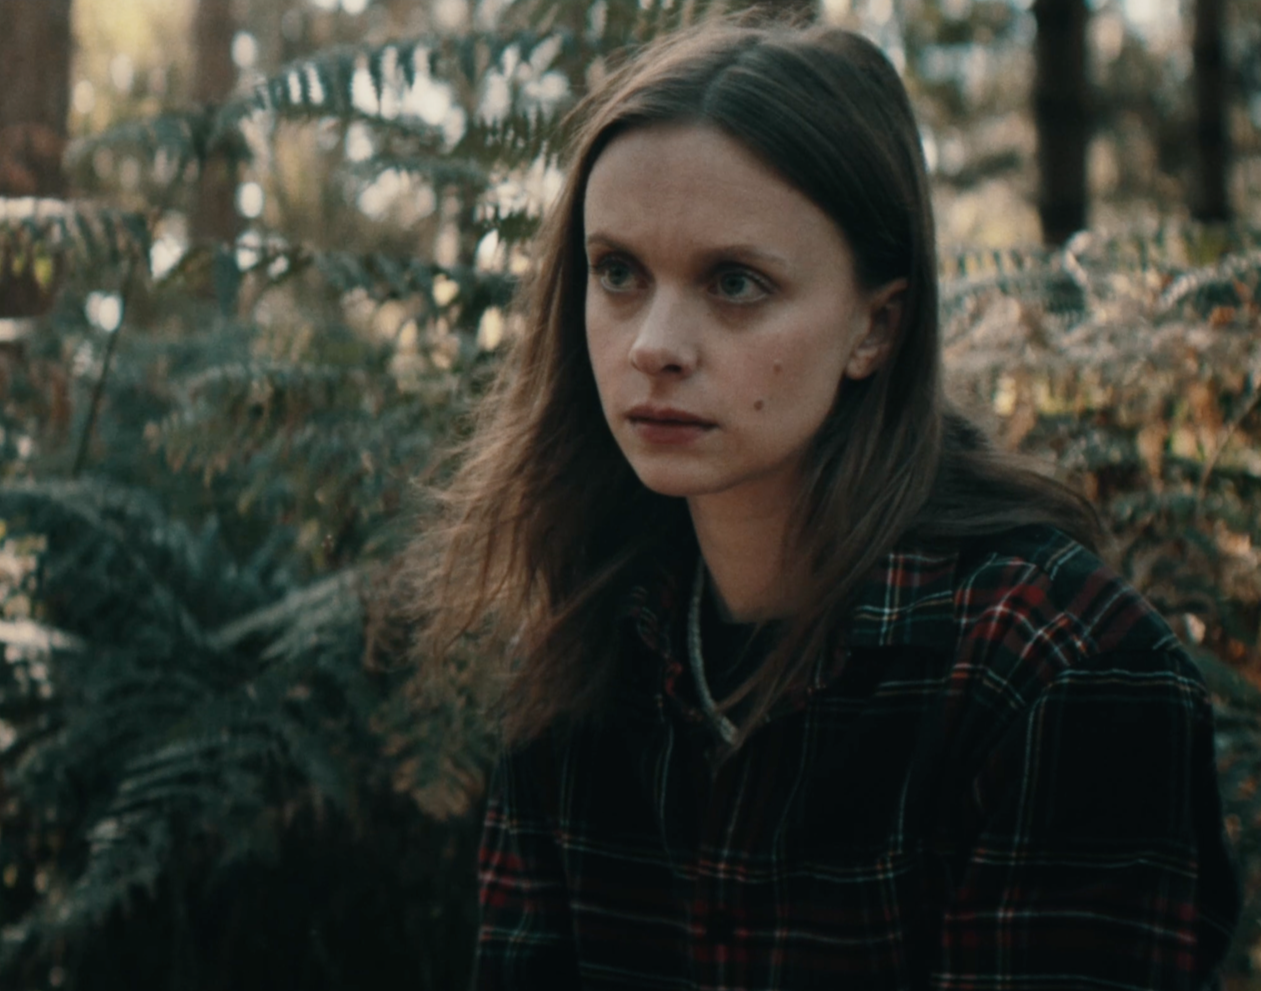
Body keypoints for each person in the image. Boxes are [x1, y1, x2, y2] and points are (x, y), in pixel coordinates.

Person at [409, 17, 1241, 990]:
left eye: (733, 282)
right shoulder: (585, 649)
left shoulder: (1058, 673)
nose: (652, 344)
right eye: (618, 273)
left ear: (874, 328)